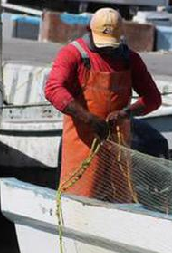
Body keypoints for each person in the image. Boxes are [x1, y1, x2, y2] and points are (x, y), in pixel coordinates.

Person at [44, 7, 162, 200]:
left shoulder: (130, 59)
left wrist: (125, 113)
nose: (107, 49)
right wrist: (89, 118)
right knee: (81, 196)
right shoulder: (73, 54)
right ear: (90, 31)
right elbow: (53, 89)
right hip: (82, 146)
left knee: (119, 198)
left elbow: (153, 98)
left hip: (118, 147)